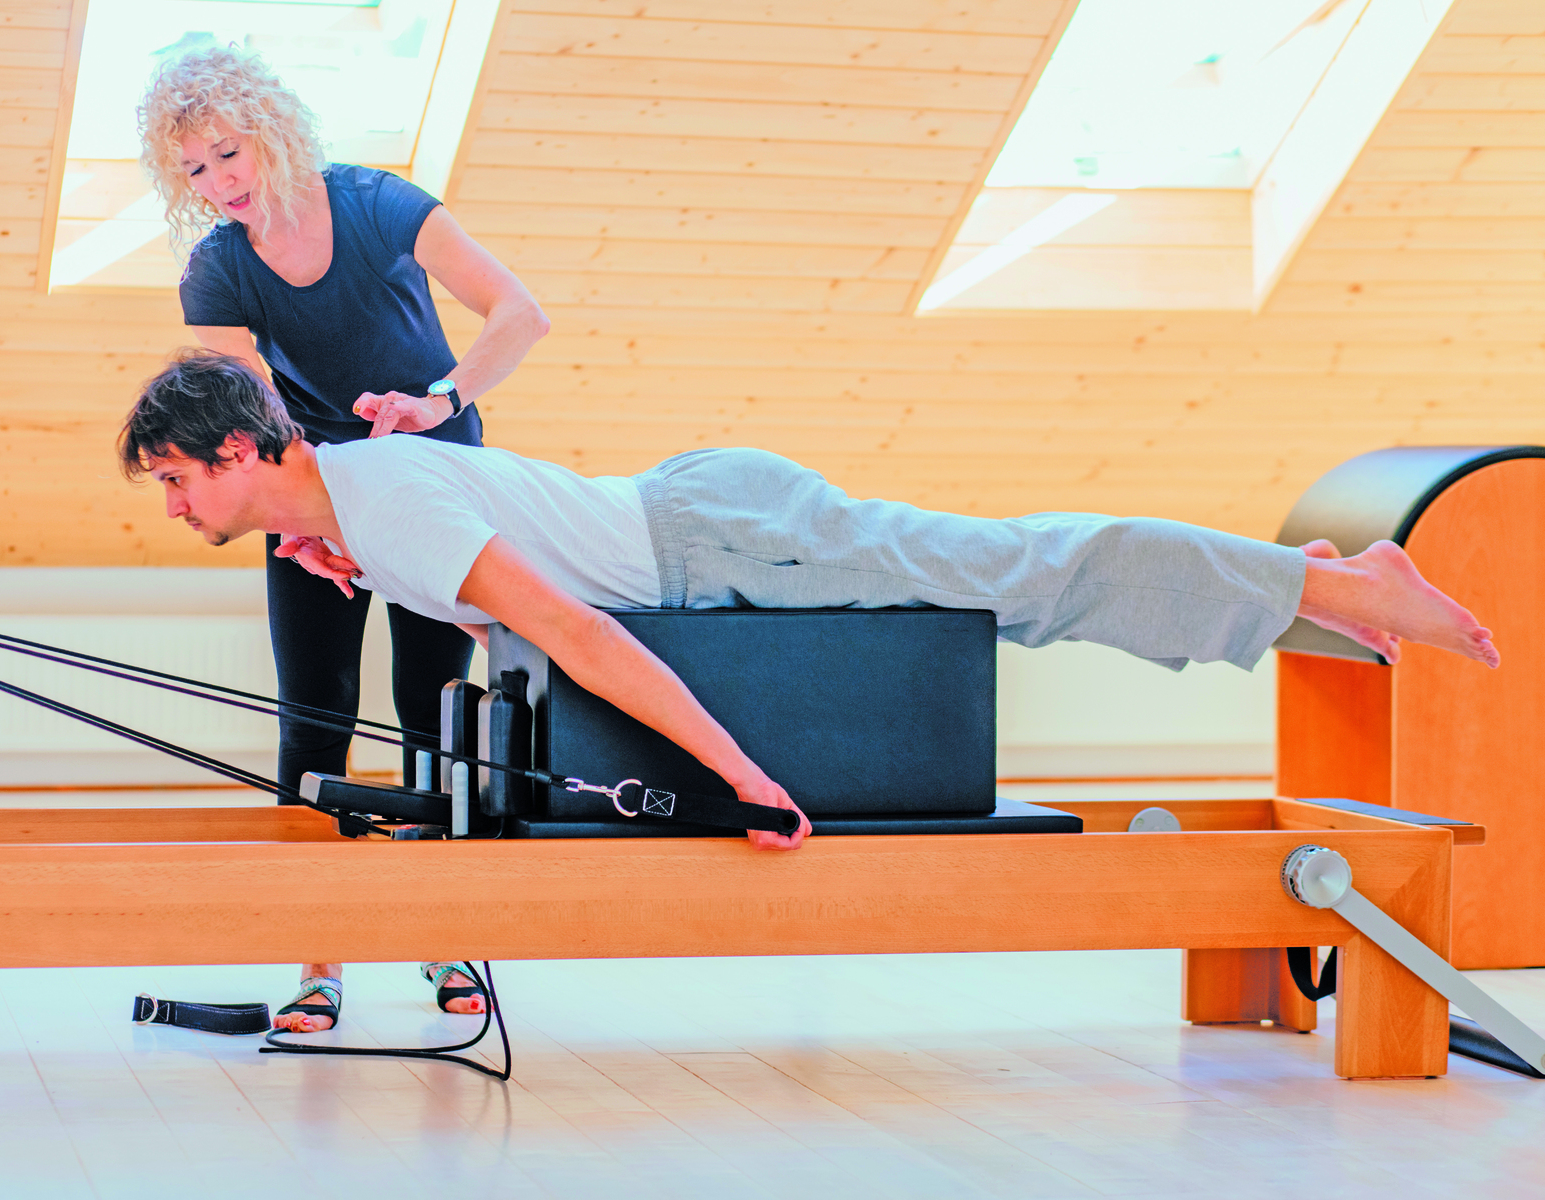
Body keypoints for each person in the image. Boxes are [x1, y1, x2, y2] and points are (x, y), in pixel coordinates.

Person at [119, 350, 1502, 853]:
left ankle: (1332, 580)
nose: (176, 504)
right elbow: (494, 581)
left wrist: (744, 782)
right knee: (1015, 581)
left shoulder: (392, 503)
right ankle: (1307, 599)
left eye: (180, 478)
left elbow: (587, 640)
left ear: (245, 453)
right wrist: (345, 557)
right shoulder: (361, 501)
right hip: (706, 518)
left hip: (733, 541)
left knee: (1022, 575)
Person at [137, 44, 550, 1027]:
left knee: (433, 712)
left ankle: (449, 940)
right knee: (315, 716)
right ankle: (317, 961)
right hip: (315, 499)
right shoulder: (218, 269)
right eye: (194, 168)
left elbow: (518, 315)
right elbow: (251, 417)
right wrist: (315, 519)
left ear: (271, 133)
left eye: (228, 155)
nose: (218, 183)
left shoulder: (378, 206)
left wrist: (433, 397)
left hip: (434, 482)